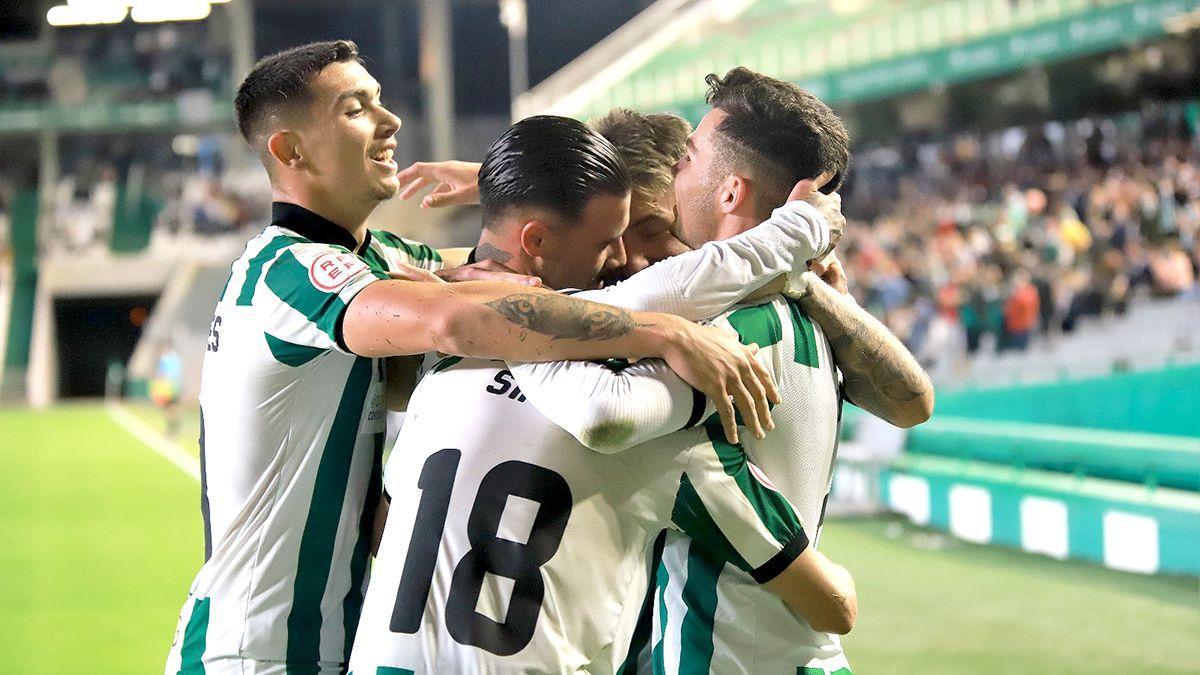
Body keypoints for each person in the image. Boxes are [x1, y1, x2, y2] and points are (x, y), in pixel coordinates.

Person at [165, 42, 780, 675]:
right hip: (251, 650)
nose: (389, 120)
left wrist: (783, 268)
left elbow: (522, 269)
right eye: (356, 108)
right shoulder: (285, 270)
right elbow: (460, 318)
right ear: (291, 152)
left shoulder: (377, 264)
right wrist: (661, 334)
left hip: (333, 643)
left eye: (380, 99)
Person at [348, 114, 849, 674]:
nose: (619, 260)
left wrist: (500, 206)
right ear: (537, 241)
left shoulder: (439, 361)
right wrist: (679, 324)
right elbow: (828, 603)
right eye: (607, 241)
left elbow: (387, 526)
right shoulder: (648, 404)